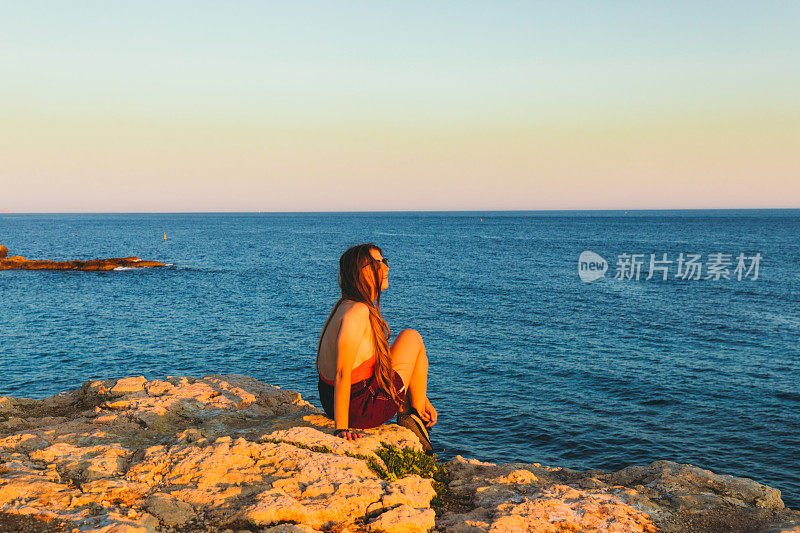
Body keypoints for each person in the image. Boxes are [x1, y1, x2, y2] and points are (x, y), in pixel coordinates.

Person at [316, 243, 437, 453]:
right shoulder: (357, 312)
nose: (386, 268)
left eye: (384, 261)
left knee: (408, 339)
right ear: (360, 272)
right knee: (412, 337)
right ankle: (414, 417)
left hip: (334, 400)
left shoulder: (344, 305)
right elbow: (343, 372)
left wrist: (418, 393)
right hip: (359, 408)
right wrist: (341, 428)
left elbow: (377, 363)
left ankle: (416, 406)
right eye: (377, 263)